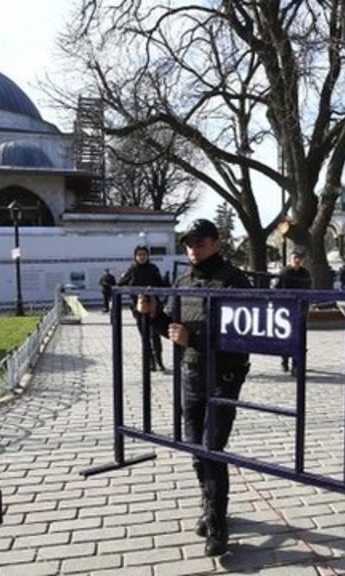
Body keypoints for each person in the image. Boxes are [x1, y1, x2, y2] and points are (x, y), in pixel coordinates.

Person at [137, 218, 251, 557]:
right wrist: (154, 314)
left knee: (211, 448)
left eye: (200, 243)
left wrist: (195, 338)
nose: (193, 249)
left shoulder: (234, 280)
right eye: (188, 243)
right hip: (191, 372)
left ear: (216, 243)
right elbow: (172, 330)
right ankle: (209, 504)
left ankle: (218, 524)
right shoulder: (184, 278)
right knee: (195, 448)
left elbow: (242, 334)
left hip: (224, 374)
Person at [118, 244, 168, 372]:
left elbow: (161, 285)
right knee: (145, 336)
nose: (141, 257)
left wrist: (166, 282)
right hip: (138, 308)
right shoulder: (132, 269)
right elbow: (120, 284)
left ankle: (159, 361)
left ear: (148, 256)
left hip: (153, 307)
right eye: (139, 255)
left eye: (144, 254)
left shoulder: (153, 268)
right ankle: (150, 362)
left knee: (155, 335)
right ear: (135, 256)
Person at [274, 248, 312, 375]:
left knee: (300, 337)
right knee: (286, 337)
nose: (297, 260)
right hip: (286, 310)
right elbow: (277, 290)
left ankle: (297, 365)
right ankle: (285, 361)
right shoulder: (284, 273)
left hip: (301, 309)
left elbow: (309, 290)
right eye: (295, 258)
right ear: (290, 259)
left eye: (299, 258)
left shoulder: (305, 274)